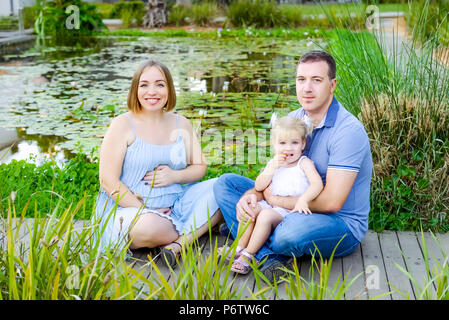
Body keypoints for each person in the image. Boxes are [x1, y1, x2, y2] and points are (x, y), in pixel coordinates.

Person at [213, 50, 373, 281]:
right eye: (301, 79)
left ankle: (251, 240)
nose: (307, 88)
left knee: (289, 233)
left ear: (332, 84)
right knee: (226, 185)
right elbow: (274, 176)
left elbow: (332, 202)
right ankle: (269, 254)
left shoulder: (348, 132)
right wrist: (250, 197)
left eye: (316, 80)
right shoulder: (294, 119)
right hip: (286, 208)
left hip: (338, 223)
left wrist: (273, 201)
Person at [92, 59, 222, 268]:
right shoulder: (122, 125)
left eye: (160, 84)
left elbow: (200, 166)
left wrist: (174, 176)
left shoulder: (182, 123)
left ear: (169, 89)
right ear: (135, 89)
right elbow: (108, 181)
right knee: (148, 226)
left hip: (178, 204)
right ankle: (182, 232)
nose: (152, 91)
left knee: (222, 187)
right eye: (144, 85)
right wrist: (144, 210)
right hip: (130, 210)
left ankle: (177, 244)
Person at [221, 116, 323, 274]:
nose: (288, 148)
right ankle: (239, 247)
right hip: (272, 205)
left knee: (265, 216)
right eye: (282, 143)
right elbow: (259, 186)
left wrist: (304, 199)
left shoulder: (304, 163)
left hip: (289, 212)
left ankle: (249, 255)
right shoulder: (274, 163)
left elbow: (317, 184)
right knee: (250, 210)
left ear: (303, 144)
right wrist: (271, 169)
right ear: (274, 145)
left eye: (294, 143)